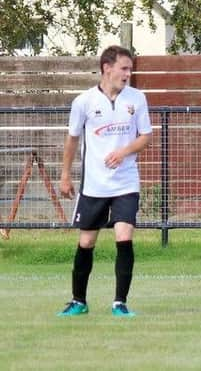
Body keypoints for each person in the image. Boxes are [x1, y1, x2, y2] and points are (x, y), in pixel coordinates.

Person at [57, 45, 152, 317]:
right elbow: (73, 139)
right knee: (86, 242)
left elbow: (146, 136)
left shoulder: (137, 99)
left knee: (124, 235)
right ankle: (78, 301)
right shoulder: (84, 102)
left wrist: (123, 152)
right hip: (94, 186)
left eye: (130, 69)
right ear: (106, 68)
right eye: (124, 68)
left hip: (126, 183)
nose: (128, 74)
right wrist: (65, 175)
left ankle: (119, 303)